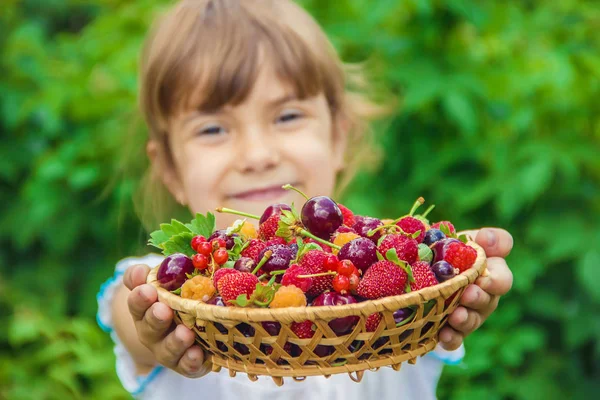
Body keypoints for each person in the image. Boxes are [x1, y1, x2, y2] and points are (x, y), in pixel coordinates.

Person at [96, 1, 514, 399]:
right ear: (169, 170)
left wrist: (459, 267)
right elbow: (132, 319)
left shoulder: (380, 269)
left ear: (338, 138)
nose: (257, 156)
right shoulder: (177, 286)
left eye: (287, 116)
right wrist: (159, 325)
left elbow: (436, 280)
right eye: (212, 129)